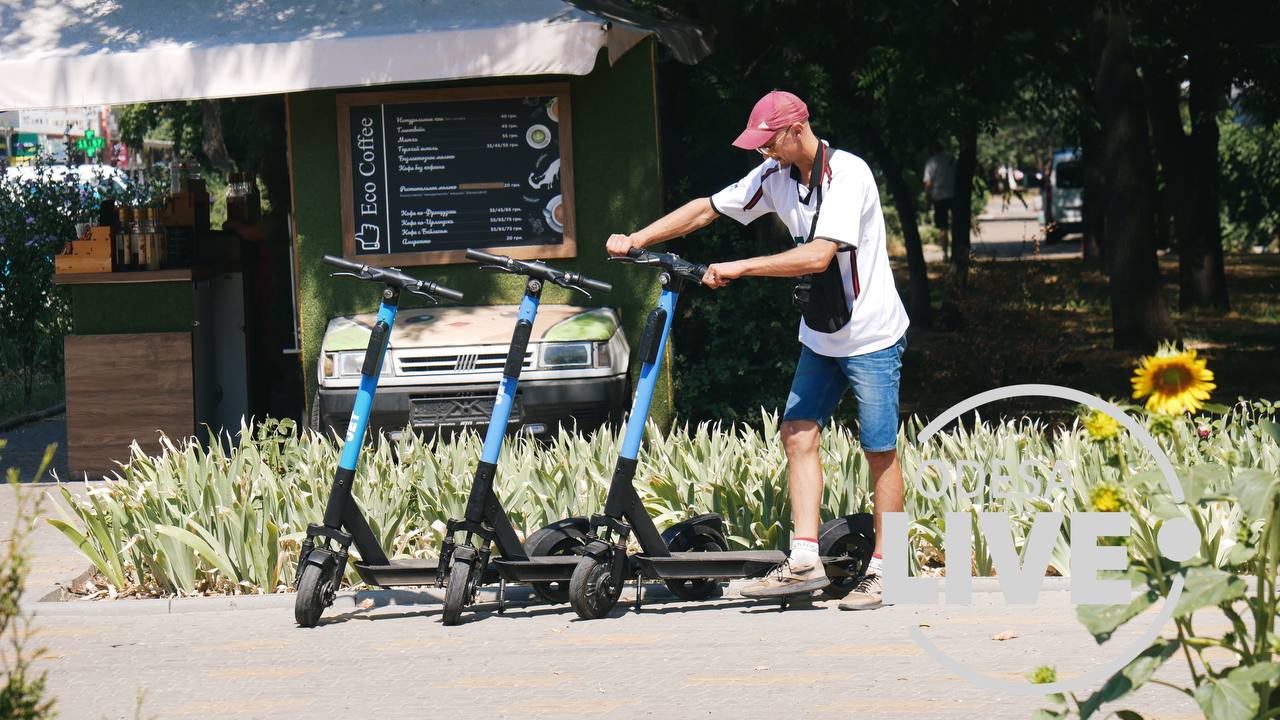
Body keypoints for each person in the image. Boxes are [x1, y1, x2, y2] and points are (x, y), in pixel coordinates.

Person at [605, 90, 909, 610]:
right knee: (797, 434)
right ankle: (805, 559)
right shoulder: (774, 176)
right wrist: (638, 238)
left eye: (768, 142)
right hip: (821, 334)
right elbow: (707, 209)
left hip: (871, 335)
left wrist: (742, 268)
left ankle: (887, 569)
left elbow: (817, 256)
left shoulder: (848, 174)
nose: (761, 152)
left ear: (796, 131)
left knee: (878, 448)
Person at [923, 147, 955, 261]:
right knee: (955, 224)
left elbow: (928, 183)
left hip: (939, 197)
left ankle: (945, 253)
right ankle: (956, 251)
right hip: (953, 195)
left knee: (943, 226)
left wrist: (927, 200)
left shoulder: (931, 162)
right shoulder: (951, 159)